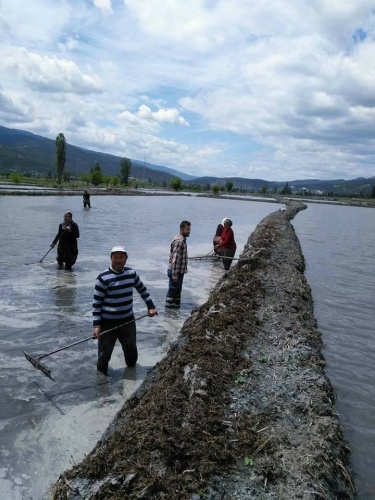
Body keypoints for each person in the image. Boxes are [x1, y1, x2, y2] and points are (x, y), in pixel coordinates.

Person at [92, 245, 158, 375]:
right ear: (111, 259)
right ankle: (101, 384)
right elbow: (96, 303)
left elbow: (142, 290)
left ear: (126, 259)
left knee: (131, 351)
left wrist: (150, 307)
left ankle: (132, 377)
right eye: (115, 257)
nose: (118, 260)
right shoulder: (102, 278)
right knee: (104, 355)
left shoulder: (131, 274)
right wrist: (96, 325)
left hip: (127, 321)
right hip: (107, 323)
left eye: (121, 257)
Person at [165, 220, 191, 309]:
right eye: (187, 229)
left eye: (189, 229)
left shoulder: (182, 239)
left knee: (177, 291)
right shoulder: (179, 241)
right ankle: (168, 313)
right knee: (172, 291)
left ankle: (175, 312)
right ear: (181, 229)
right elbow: (175, 258)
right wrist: (174, 274)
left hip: (179, 270)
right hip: (175, 271)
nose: (189, 231)